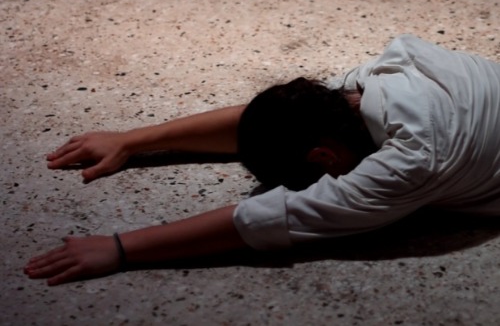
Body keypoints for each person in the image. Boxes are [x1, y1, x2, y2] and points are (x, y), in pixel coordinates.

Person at [24, 34, 500, 286]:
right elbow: (275, 120)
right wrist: (132, 141)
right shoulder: (375, 78)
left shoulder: (413, 160)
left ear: (324, 157)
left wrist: (120, 248)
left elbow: (269, 218)